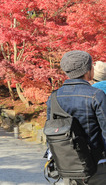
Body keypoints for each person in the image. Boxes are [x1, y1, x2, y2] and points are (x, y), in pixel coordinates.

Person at [46, 50, 106, 184]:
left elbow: (50, 130)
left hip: (68, 166)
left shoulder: (54, 97)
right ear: (88, 70)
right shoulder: (96, 95)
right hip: (97, 167)